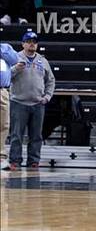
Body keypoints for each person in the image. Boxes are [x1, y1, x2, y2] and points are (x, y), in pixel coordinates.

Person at [9, 31, 55, 170]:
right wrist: (15, 68)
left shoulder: (42, 60)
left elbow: (51, 81)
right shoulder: (15, 57)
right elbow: (6, 76)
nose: (31, 44)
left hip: (37, 103)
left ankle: (34, 160)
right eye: (28, 42)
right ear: (23, 44)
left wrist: (47, 96)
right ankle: (15, 161)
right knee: (17, 135)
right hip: (18, 102)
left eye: (34, 42)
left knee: (36, 135)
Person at [0, 42, 20, 170]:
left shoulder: (5, 47)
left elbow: (14, 60)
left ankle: (1, 157)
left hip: (3, 90)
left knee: (4, 124)